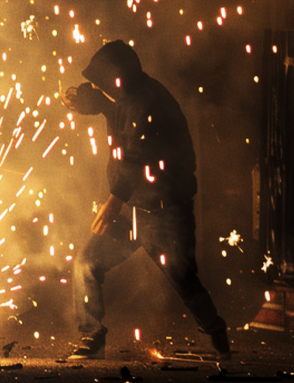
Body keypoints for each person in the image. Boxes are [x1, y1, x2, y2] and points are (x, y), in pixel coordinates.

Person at [61, 40, 230, 361]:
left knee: (183, 279)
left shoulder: (149, 103)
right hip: (130, 211)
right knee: (86, 262)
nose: (96, 86)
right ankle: (92, 335)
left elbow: (138, 159)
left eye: (100, 81)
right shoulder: (124, 94)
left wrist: (113, 202)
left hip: (164, 213)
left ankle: (215, 331)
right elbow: (106, 103)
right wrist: (82, 100)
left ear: (117, 79)